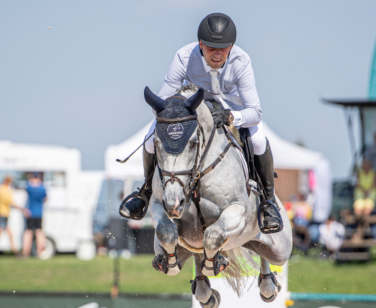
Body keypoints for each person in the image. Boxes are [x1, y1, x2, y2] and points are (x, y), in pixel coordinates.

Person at [119, 13, 282, 233]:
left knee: (259, 140)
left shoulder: (242, 62)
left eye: (223, 48)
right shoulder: (183, 57)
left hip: (232, 110)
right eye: (211, 48)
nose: (217, 54)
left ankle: (268, 202)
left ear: (231, 46)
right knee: (149, 141)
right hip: (194, 110)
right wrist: (177, 112)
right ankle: (145, 192)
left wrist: (232, 117)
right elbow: (163, 100)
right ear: (200, 45)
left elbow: (255, 112)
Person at [0, 175, 24, 255]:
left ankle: (14, 250)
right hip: (3, 213)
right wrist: (22, 209)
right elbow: (11, 202)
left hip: (2, 212)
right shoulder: (5, 190)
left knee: (7, 233)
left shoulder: (0, 189)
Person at [22, 173, 47, 258]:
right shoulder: (43, 189)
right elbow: (46, 199)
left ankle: (26, 251)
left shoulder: (29, 188)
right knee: (39, 231)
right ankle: (39, 252)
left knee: (28, 231)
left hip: (30, 212)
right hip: (39, 213)